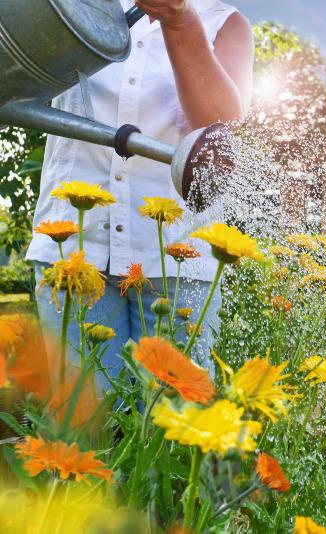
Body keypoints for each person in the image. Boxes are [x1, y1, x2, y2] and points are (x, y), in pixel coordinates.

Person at [26, 0, 254, 379]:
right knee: (83, 425)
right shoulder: (73, 4)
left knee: (180, 424)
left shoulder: (226, 23)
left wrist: (180, 20)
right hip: (71, 248)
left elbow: (219, 126)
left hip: (176, 258)